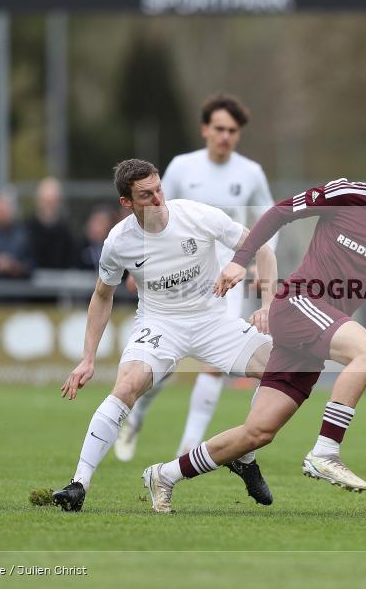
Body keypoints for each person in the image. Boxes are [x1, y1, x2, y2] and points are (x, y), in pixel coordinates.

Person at [141, 135, 366, 514]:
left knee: (258, 433)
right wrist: (241, 260)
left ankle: (165, 474)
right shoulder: (346, 193)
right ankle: (326, 451)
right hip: (299, 302)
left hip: (318, 328)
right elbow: (279, 212)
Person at [50, 158, 278, 512]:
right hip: (160, 325)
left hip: (212, 321)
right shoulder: (119, 242)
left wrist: (266, 306)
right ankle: (78, 483)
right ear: (126, 203)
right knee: (125, 387)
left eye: (159, 189)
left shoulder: (196, 215)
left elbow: (260, 246)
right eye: (146, 195)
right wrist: (88, 357)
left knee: (280, 371)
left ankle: (244, 456)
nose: (158, 199)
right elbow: (102, 295)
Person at [114, 93, 277, 462]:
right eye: (219, 128)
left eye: (232, 130)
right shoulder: (183, 168)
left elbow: (268, 221)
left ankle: (188, 447)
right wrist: (137, 269)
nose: (225, 136)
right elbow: (152, 215)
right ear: (205, 129)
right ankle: (135, 416)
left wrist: (255, 262)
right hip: (176, 273)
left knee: (214, 365)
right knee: (165, 367)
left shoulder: (250, 173)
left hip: (225, 276)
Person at [26, 177, 77, 270]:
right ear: (38, 200)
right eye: (45, 201)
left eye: (52, 201)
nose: (48, 206)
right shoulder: (27, 229)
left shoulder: (66, 232)